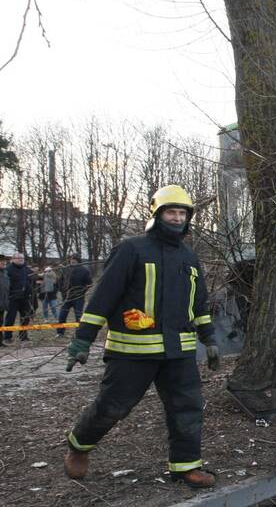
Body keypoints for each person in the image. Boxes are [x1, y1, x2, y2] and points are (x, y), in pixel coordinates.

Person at [63, 185, 221, 489]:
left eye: (182, 213)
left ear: (188, 218)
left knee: (187, 409)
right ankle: (79, 446)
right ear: (157, 214)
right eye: (170, 212)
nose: (176, 218)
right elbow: (103, 298)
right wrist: (82, 340)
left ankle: (186, 467)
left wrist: (210, 339)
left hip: (179, 352)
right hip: (132, 352)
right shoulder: (131, 249)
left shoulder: (190, 258)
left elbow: (199, 303)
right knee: (113, 407)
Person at [56, 257, 93, 337]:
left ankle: (79, 334)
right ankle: (60, 332)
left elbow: (89, 284)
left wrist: (82, 291)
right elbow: (61, 281)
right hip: (67, 298)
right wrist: (63, 291)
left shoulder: (84, 270)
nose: (72, 261)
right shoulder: (66, 269)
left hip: (78, 298)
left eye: (74, 260)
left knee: (78, 316)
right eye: (71, 260)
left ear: (78, 261)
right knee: (62, 315)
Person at [4, 252, 33, 342]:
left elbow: (32, 279)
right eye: (18, 258)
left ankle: (23, 336)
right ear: (13, 259)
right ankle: (8, 337)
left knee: (25, 317)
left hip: (25, 298)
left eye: (22, 258)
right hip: (12, 298)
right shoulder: (8, 270)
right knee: (11, 318)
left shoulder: (26, 269)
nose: (21, 259)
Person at [0, 255, 9, 347]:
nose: (3, 262)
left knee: (0, 323)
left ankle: (0, 342)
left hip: (2, 303)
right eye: (1, 261)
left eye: (4, 261)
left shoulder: (5, 273)